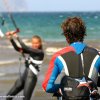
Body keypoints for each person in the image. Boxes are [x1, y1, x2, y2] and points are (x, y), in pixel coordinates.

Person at [42, 17, 100, 99]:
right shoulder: (97, 54)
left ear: (66, 36)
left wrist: (66, 87)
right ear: (83, 34)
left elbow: (47, 86)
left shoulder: (58, 56)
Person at [6, 31, 44, 100]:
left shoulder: (40, 52)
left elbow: (24, 47)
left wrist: (17, 37)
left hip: (31, 79)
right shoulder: (32, 51)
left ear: (40, 43)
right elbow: (18, 48)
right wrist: (11, 39)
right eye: (33, 43)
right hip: (23, 77)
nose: (35, 45)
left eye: (37, 43)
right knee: (8, 96)